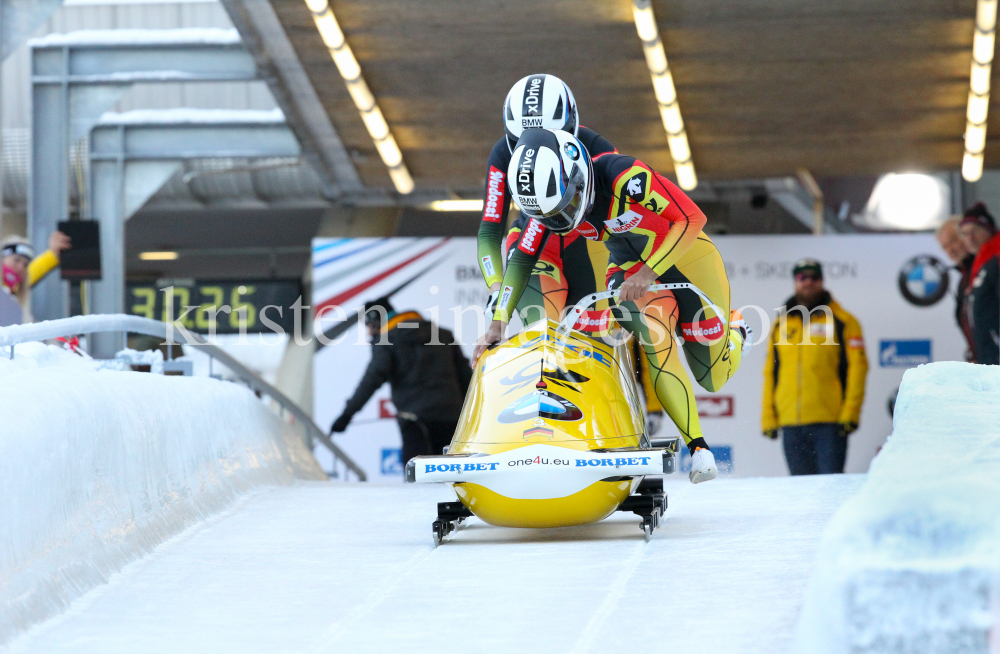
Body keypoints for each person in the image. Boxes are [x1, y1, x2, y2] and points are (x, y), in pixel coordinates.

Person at [473, 127, 750, 484]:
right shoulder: (549, 215)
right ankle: (698, 448)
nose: (562, 220)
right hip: (628, 269)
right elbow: (522, 261)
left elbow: (691, 219)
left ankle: (737, 328)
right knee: (655, 335)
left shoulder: (624, 175)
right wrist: (497, 324)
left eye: (566, 207)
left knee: (713, 377)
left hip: (689, 259)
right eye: (552, 215)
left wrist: (650, 272)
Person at [478, 74, 617, 328]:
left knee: (595, 341)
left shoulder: (598, 150)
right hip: (533, 242)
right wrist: (497, 288)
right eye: (523, 139)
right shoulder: (502, 154)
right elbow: (490, 230)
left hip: (589, 243)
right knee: (542, 333)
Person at [330, 298, 474, 466]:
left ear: (376, 321)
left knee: (417, 481)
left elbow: (371, 380)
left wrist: (347, 414)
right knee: (451, 479)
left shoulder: (388, 340)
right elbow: (466, 378)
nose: (369, 333)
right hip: (452, 418)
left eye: (368, 326)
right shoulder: (443, 334)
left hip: (415, 421)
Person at [760, 258, 868, 475]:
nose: (808, 282)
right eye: (802, 277)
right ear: (795, 281)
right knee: (800, 492)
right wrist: (768, 416)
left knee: (829, 490)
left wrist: (851, 412)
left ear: (822, 281)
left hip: (829, 422)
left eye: (814, 277)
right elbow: (771, 371)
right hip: (790, 422)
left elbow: (858, 368)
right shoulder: (780, 323)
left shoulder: (844, 321)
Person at [958, 203, 1000, 365]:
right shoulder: (982, 263)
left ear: (988, 230)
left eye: (975, 231)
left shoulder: (996, 260)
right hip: (989, 356)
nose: (970, 238)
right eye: (965, 234)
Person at [1, 232, 72, 323]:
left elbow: (35, 270)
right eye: (16, 260)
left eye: (25, 265)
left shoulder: (16, 289)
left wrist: (54, 253)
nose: (20, 267)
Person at [935, 216, 976, 361]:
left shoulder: (987, 269)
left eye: (952, 241)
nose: (949, 251)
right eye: (944, 247)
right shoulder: (964, 278)